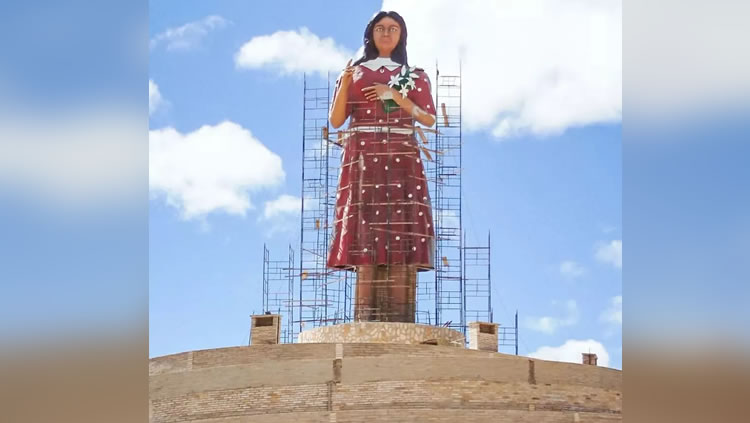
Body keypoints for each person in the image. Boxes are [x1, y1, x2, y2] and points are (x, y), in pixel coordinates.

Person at [327, 11, 436, 323]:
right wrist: (345, 83)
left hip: (401, 154)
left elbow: (427, 118)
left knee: (401, 231)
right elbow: (336, 121)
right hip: (362, 154)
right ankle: (365, 318)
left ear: (401, 35)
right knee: (365, 232)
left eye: (393, 28)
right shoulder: (355, 73)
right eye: (380, 28)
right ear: (370, 34)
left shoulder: (413, 75)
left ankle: (400, 319)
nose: (386, 34)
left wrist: (395, 97)